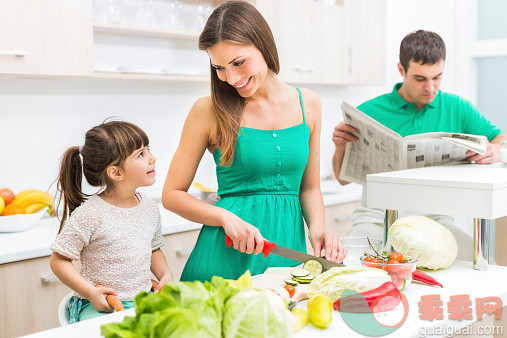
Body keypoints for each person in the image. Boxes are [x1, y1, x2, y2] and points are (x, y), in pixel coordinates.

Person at [162, 1, 347, 282]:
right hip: (223, 258)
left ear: (264, 45)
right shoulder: (208, 110)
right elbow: (172, 194)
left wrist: (318, 232)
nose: (231, 78)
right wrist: (224, 218)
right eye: (220, 68)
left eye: (238, 63)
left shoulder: (308, 103)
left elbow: (309, 188)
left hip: (287, 253)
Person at [332, 30, 507, 259]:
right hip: (376, 217)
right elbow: (342, 178)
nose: (431, 88)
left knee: (478, 262)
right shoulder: (369, 112)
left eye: (437, 77)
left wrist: (495, 150)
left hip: (436, 220)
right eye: (420, 79)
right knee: (355, 264)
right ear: (401, 70)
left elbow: (500, 139)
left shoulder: (458, 107)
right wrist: (340, 147)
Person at [50, 120, 172, 323]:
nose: (152, 158)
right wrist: (90, 292)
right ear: (115, 172)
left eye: (148, 149)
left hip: (141, 300)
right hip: (99, 305)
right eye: (141, 154)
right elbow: (58, 261)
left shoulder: (149, 207)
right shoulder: (91, 214)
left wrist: (165, 275)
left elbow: (154, 249)